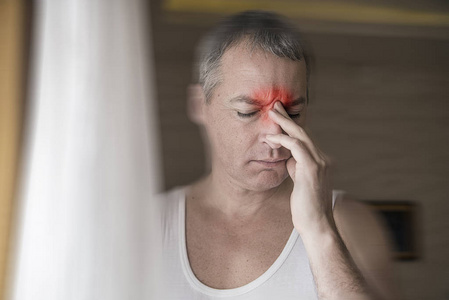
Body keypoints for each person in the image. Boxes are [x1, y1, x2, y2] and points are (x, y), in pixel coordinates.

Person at [157, 10, 399, 300]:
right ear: (199, 105)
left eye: (292, 113)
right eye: (247, 112)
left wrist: (321, 231)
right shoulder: (146, 223)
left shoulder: (350, 224)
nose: (276, 139)